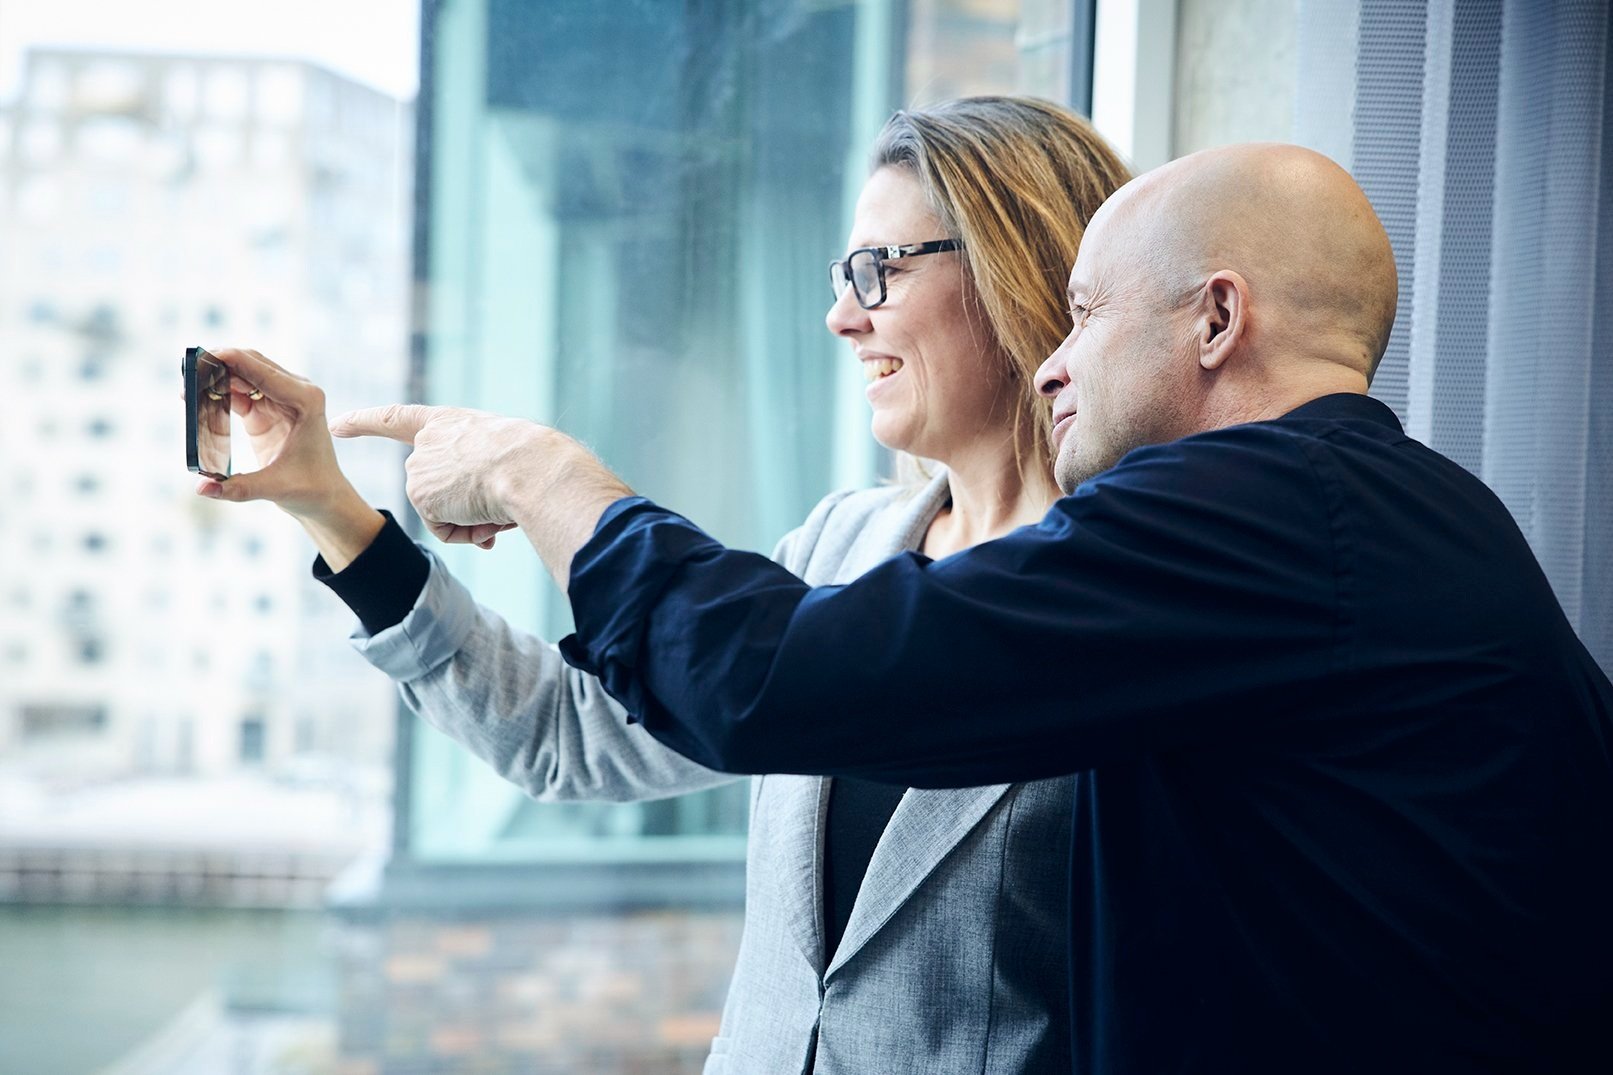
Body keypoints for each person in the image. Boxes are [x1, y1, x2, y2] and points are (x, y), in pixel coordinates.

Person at [309, 142, 1613, 1073]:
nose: (1055, 359)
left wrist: (543, 475)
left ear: (1216, 317)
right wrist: (336, 516)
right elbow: (594, 725)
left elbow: (760, 676)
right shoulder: (1402, 520)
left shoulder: (1239, 530)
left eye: (1085, 316)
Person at [198, 98, 1131, 1073]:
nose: (840, 317)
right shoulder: (838, 548)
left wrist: (536, 475)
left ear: (1015, 267)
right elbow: (573, 733)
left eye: (878, 271)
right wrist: (333, 512)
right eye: (840, 275)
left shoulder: (1118, 598)